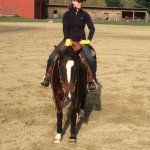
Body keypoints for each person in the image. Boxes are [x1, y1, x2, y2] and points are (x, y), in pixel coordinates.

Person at [41, 0, 98, 90]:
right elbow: (65, 28)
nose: (81, 3)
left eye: (81, 1)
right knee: (52, 57)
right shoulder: (67, 14)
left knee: (90, 58)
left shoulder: (85, 14)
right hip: (68, 39)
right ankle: (47, 77)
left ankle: (92, 80)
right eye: (79, 1)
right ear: (73, 2)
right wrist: (67, 38)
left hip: (81, 41)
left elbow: (92, 28)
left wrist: (88, 40)